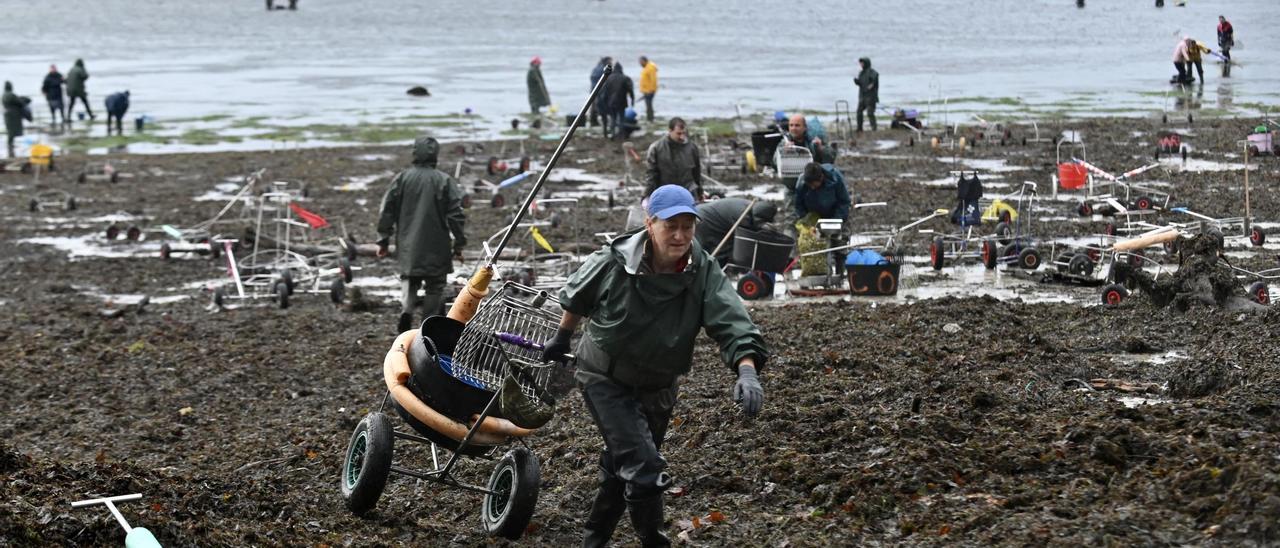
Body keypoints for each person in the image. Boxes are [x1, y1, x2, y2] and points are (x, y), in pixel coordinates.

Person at [541, 184, 767, 548]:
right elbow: (577, 296)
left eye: (687, 226)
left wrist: (747, 370)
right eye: (670, 226)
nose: (679, 236)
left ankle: (592, 541)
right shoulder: (615, 260)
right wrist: (563, 338)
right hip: (604, 377)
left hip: (659, 385)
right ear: (650, 224)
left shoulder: (702, 268)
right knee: (645, 471)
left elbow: (732, 320)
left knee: (623, 466)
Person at [376, 135, 467, 333]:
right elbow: (456, 215)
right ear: (435, 155)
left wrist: (383, 240)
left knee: (409, 278)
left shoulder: (402, 179)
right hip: (437, 244)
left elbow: (387, 210)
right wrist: (459, 243)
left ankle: (406, 310)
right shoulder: (444, 180)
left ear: (415, 153)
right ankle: (428, 325)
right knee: (435, 285)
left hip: (408, 243)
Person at [794, 162, 852, 273]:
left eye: (814, 184)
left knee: (839, 244)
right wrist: (807, 220)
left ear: (821, 178)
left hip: (834, 214)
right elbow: (798, 205)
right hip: (814, 216)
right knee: (814, 245)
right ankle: (818, 273)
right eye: (809, 185)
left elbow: (844, 202)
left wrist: (836, 221)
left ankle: (840, 274)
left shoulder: (835, 179)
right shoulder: (802, 183)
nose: (812, 187)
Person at [694, 198, 779, 266]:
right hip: (703, 220)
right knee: (703, 251)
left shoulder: (751, 207)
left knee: (722, 247)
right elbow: (746, 236)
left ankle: (716, 270)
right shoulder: (744, 215)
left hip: (709, 216)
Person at [644, 117, 702, 199]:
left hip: (688, 192)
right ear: (670, 131)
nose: (682, 137)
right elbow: (651, 174)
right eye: (678, 133)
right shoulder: (656, 148)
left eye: (683, 133)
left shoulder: (692, 148)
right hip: (666, 192)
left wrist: (700, 192)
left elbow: (697, 172)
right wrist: (647, 194)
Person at [597, 61, 633, 139]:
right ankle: (621, 135)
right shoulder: (625, 78)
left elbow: (604, 92)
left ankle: (613, 134)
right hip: (622, 102)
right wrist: (632, 100)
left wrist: (604, 103)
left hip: (611, 103)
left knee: (613, 118)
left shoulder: (609, 78)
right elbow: (630, 90)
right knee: (621, 119)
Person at [853, 57, 879, 132]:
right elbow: (861, 83)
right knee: (859, 112)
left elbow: (874, 81)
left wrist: (871, 85)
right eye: (860, 63)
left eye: (862, 63)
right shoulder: (861, 73)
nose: (861, 64)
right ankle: (859, 127)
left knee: (870, 113)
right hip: (862, 96)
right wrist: (857, 82)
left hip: (870, 97)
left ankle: (874, 128)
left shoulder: (873, 72)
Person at [3, 82, 27, 158]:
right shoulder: (11, 95)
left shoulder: (3, 95)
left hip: (7, 114)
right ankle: (10, 145)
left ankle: (10, 145)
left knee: (10, 130)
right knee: (13, 130)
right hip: (14, 114)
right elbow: (20, 102)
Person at [588, 56, 612, 127]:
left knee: (593, 106)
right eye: (610, 62)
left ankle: (593, 121)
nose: (611, 63)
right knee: (597, 106)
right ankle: (594, 121)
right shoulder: (602, 69)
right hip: (598, 90)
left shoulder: (597, 68)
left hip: (594, 89)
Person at [638, 56, 658, 123]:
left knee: (649, 105)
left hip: (649, 91)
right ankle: (649, 118)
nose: (640, 64)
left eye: (641, 62)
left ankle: (650, 119)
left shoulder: (650, 68)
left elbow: (653, 80)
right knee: (648, 105)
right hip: (646, 90)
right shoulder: (646, 67)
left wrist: (652, 90)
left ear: (644, 61)